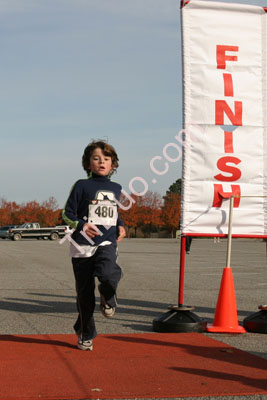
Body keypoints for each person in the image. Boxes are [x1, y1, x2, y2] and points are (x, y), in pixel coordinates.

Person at [62, 140, 126, 351]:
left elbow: (115, 213)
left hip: (106, 241)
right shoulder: (81, 185)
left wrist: (122, 225)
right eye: (96, 158)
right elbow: (67, 214)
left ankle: (108, 296)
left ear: (113, 165)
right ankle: (85, 332)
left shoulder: (116, 188)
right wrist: (81, 225)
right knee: (84, 294)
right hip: (81, 246)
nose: (101, 162)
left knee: (108, 274)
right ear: (87, 163)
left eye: (106, 159)